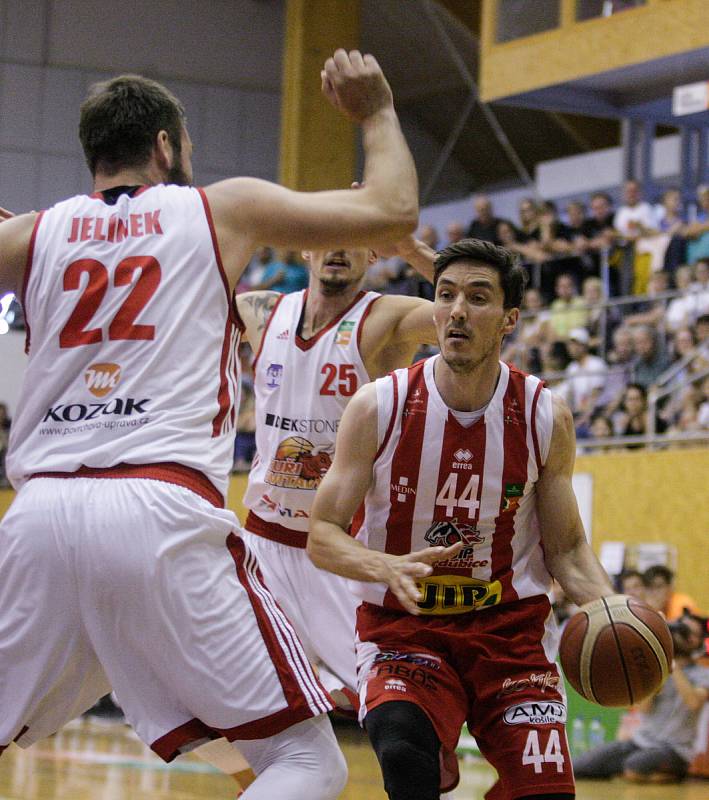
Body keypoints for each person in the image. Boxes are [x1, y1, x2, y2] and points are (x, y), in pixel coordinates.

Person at [0, 50, 419, 800]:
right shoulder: (218, 207)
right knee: (305, 764)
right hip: (155, 507)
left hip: (36, 516)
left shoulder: (35, 234)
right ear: (165, 145)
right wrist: (378, 111)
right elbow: (392, 211)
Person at [308, 238, 615, 800]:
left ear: (508, 320)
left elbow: (567, 551)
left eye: (477, 298)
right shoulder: (380, 405)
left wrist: (611, 611)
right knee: (405, 755)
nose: (456, 310)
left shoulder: (546, 414)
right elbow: (322, 535)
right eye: (445, 295)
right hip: (405, 627)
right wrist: (383, 564)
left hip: (509, 630)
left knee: (545, 793)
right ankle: (432, 737)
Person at [234, 230, 439, 711]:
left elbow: (478, 314)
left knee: (403, 713)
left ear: (373, 254)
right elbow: (169, 293)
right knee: (235, 705)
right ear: (306, 246)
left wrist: (410, 250)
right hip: (263, 541)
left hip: (342, 549)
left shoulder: (383, 316)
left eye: (357, 240)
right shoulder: (261, 310)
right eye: (328, 236)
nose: (340, 249)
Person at [574, 611, 709, 783]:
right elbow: (644, 708)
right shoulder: (660, 670)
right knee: (579, 767)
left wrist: (672, 664)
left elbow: (693, 703)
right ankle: (628, 772)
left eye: (688, 632)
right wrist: (659, 664)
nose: (680, 635)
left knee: (634, 767)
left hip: (675, 749)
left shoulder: (703, 673)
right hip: (640, 742)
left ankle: (673, 774)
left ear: (697, 642)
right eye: (680, 629)